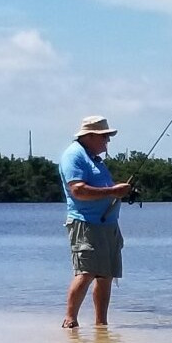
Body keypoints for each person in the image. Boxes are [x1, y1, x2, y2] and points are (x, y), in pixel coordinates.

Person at [59, 115, 133, 329]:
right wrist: (112, 191)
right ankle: (70, 318)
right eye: (104, 137)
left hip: (108, 225)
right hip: (86, 224)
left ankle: (101, 324)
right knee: (86, 271)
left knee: (106, 275)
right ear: (90, 136)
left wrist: (120, 193)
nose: (107, 141)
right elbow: (78, 190)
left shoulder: (95, 159)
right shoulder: (74, 156)